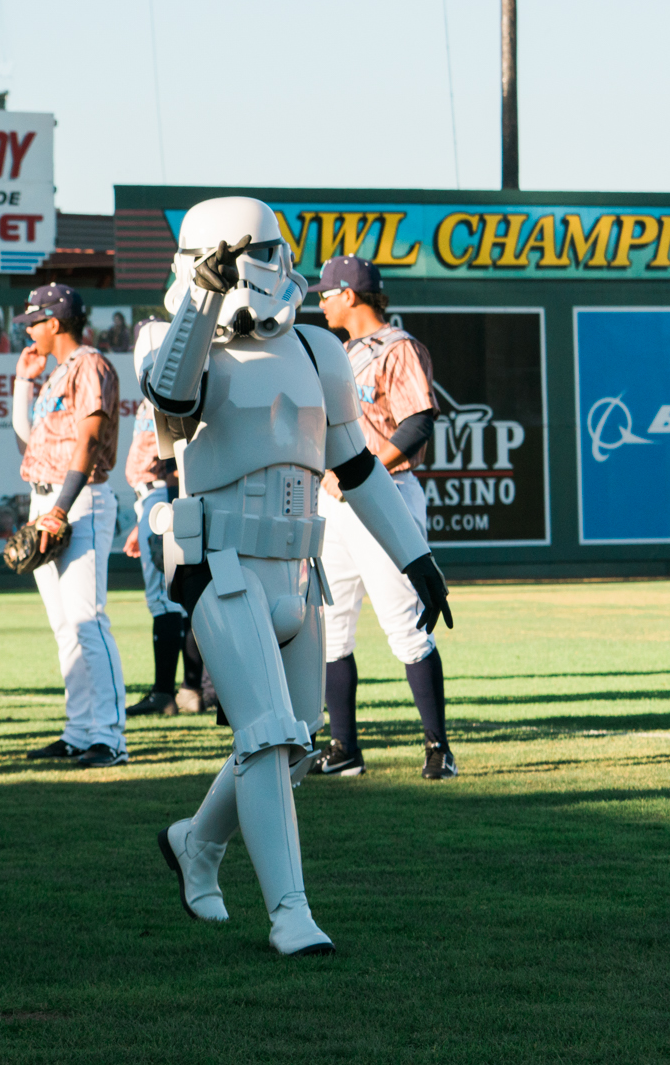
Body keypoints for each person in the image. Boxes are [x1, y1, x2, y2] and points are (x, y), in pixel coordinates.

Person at [145, 198, 452, 956]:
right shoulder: (175, 340)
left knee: (293, 745)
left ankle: (196, 843)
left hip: (298, 564)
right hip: (221, 562)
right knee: (264, 733)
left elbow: (357, 467)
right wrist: (203, 301)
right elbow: (173, 399)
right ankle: (290, 911)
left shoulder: (317, 350)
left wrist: (416, 556)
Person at [307, 255, 456, 780]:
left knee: (406, 625)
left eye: (326, 292)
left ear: (351, 294)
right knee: (331, 628)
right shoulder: (337, 354)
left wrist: (359, 471)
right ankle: (343, 747)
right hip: (335, 501)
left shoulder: (400, 347)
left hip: (385, 494)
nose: (320, 300)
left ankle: (439, 746)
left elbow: (417, 424)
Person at [11, 283, 127, 768]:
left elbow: (90, 443)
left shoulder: (91, 365)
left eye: (34, 321)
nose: (29, 331)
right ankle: (79, 731)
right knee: (65, 627)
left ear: (55, 322)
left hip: (78, 501)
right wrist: (23, 384)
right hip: (49, 500)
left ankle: (109, 737)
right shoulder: (55, 374)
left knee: (87, 620)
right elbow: (29, 445)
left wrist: (59, 508)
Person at [122, 319, 193, 719]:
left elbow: (182, 456)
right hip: (152, 497)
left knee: (168, 598)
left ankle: (167, 691)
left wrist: (162, 501)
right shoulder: (155, 389)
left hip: (164, 494)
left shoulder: (172, 388)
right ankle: (190, 689)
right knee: (177, 597)